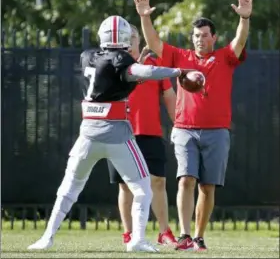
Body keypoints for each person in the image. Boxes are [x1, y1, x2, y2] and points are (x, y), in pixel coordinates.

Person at [27, 15, 193, 253]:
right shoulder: (122, 60)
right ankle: (136, 239)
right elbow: (140, 72)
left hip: (88, 135)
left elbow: (116, 79)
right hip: (117, 135)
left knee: (69, 187)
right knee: (142, 187)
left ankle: (47, 237)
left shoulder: (87, 57)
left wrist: (136, 65)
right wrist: (178, 71)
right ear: (125, 38)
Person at [133, 0, 252, 251]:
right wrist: (144, 18)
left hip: (217, 132)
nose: (200, 40)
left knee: (208, 187)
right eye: (196, 36)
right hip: (185, 129)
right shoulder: (180, 57)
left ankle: (198, 237)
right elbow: (153, 43)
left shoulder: (224, 57)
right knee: (185, 179)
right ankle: (184, 235)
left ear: (214, 37)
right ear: (192, 38)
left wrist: (244, 19)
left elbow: (240, 41)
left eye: (205, 35)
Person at [107, 24, 177, 245]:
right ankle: (128, 234)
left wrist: (179, 124)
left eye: (133, 38)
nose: (130, 42)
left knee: (157, 181)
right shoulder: (113, 64)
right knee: (125, 185)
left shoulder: (155, 65)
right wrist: (137, 64)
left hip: (150, 132)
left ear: (138, 41)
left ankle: (164, 232)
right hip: (120, 132)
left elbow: (168, 95)